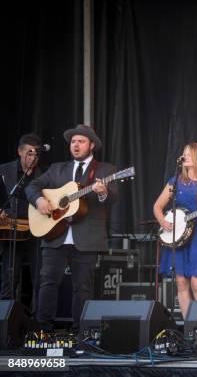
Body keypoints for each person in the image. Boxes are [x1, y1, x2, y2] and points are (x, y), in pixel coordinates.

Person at [26, 125, 117, 331]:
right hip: (54, 234)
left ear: (91, 145)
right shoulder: (58, 168)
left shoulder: (104, 170)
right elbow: (31, 186)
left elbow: (112, 197)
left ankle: (80, 335)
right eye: (73, 142)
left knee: (82, 288)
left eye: (81, 141)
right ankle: (43, 331)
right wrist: (39, 200)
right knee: (47, 283)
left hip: (86, 237)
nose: (76, 145)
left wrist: (103, 192)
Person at [153, 142, 197, 318]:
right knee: (181, 283)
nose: (185, 157)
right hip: (178, 236)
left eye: (189, 154)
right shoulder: (176, 181)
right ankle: (189, 330)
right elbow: (157, 206)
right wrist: (163, 221)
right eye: (184, 153)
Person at [0, 133, 45, 310]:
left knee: (40, 277)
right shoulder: (4, 170)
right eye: (29, 153)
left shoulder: (45, 173)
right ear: (19, 152)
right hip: (12, 228)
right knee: (10, 277)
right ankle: (5, 322)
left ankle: (38, 320)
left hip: (37, 229)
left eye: (36, 154)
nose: (32, 158)